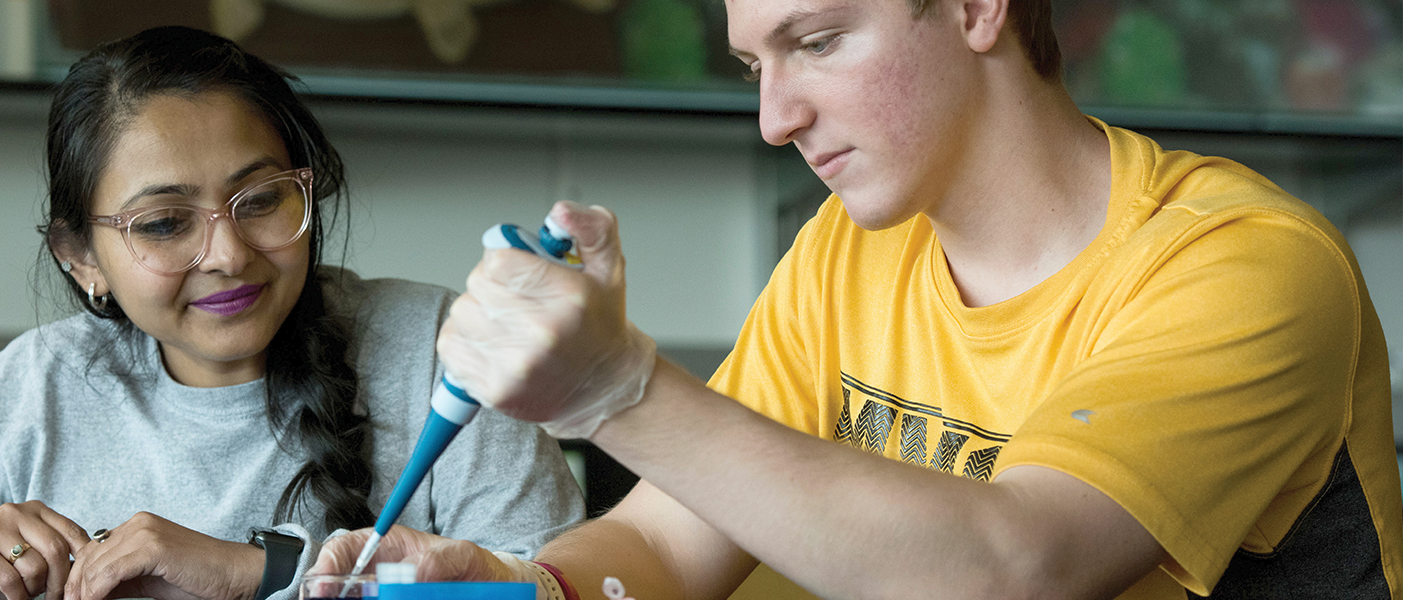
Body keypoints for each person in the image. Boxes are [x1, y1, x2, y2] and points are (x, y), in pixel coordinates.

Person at [313, 0, 1403, 598]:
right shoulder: (850, 247)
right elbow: (664, 548)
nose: (775, 118)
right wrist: (521, 592)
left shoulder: (1247, 262)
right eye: (754, 66)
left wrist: (620, 389)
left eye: (818, 42)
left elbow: (1008, 574)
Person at [0, 26, 583, 600]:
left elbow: (564, 585)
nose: (228, 254)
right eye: (164, 223)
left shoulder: (443, 354)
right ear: (81, 259)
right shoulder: (33, 390)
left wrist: (258, 573)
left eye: (263, 199)